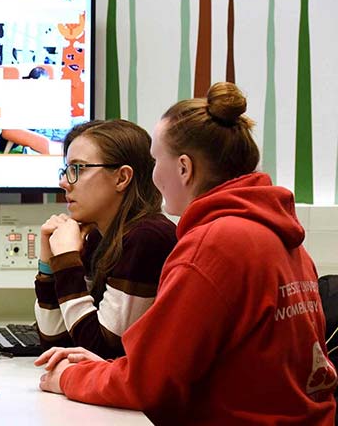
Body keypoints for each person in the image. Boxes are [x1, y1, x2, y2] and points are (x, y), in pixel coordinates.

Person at [35, 82, 337, 424]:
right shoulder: (283, 237)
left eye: (154, 161)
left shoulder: (215, 244)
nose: (153, 175)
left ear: (183, 168)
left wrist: (70, 377)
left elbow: (148, 383)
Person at [34, 119, 176, 360]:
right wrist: (49, 265)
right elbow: (54, 342)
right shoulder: (100, 237)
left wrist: (68, 262)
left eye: (78, 169)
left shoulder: (147, 238)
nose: (64, 182)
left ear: (121, 178)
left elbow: (102, 351)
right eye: (67, 170)